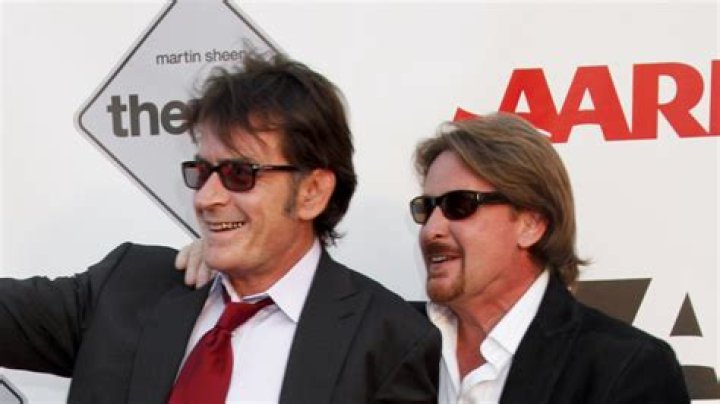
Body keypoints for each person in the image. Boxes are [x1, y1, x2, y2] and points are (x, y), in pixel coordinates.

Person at [0, 53, 441, 403]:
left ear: (312, 192)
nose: (206, 198)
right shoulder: (126, 287)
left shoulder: (387, 341)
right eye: (203, 171)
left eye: (239, 174)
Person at [180, 112, 690, 403]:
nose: (433, 229)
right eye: (427, 208)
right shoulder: (381, 333)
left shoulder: (622, 368)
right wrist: (229, 253)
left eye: (460, 206)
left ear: (531, 223)